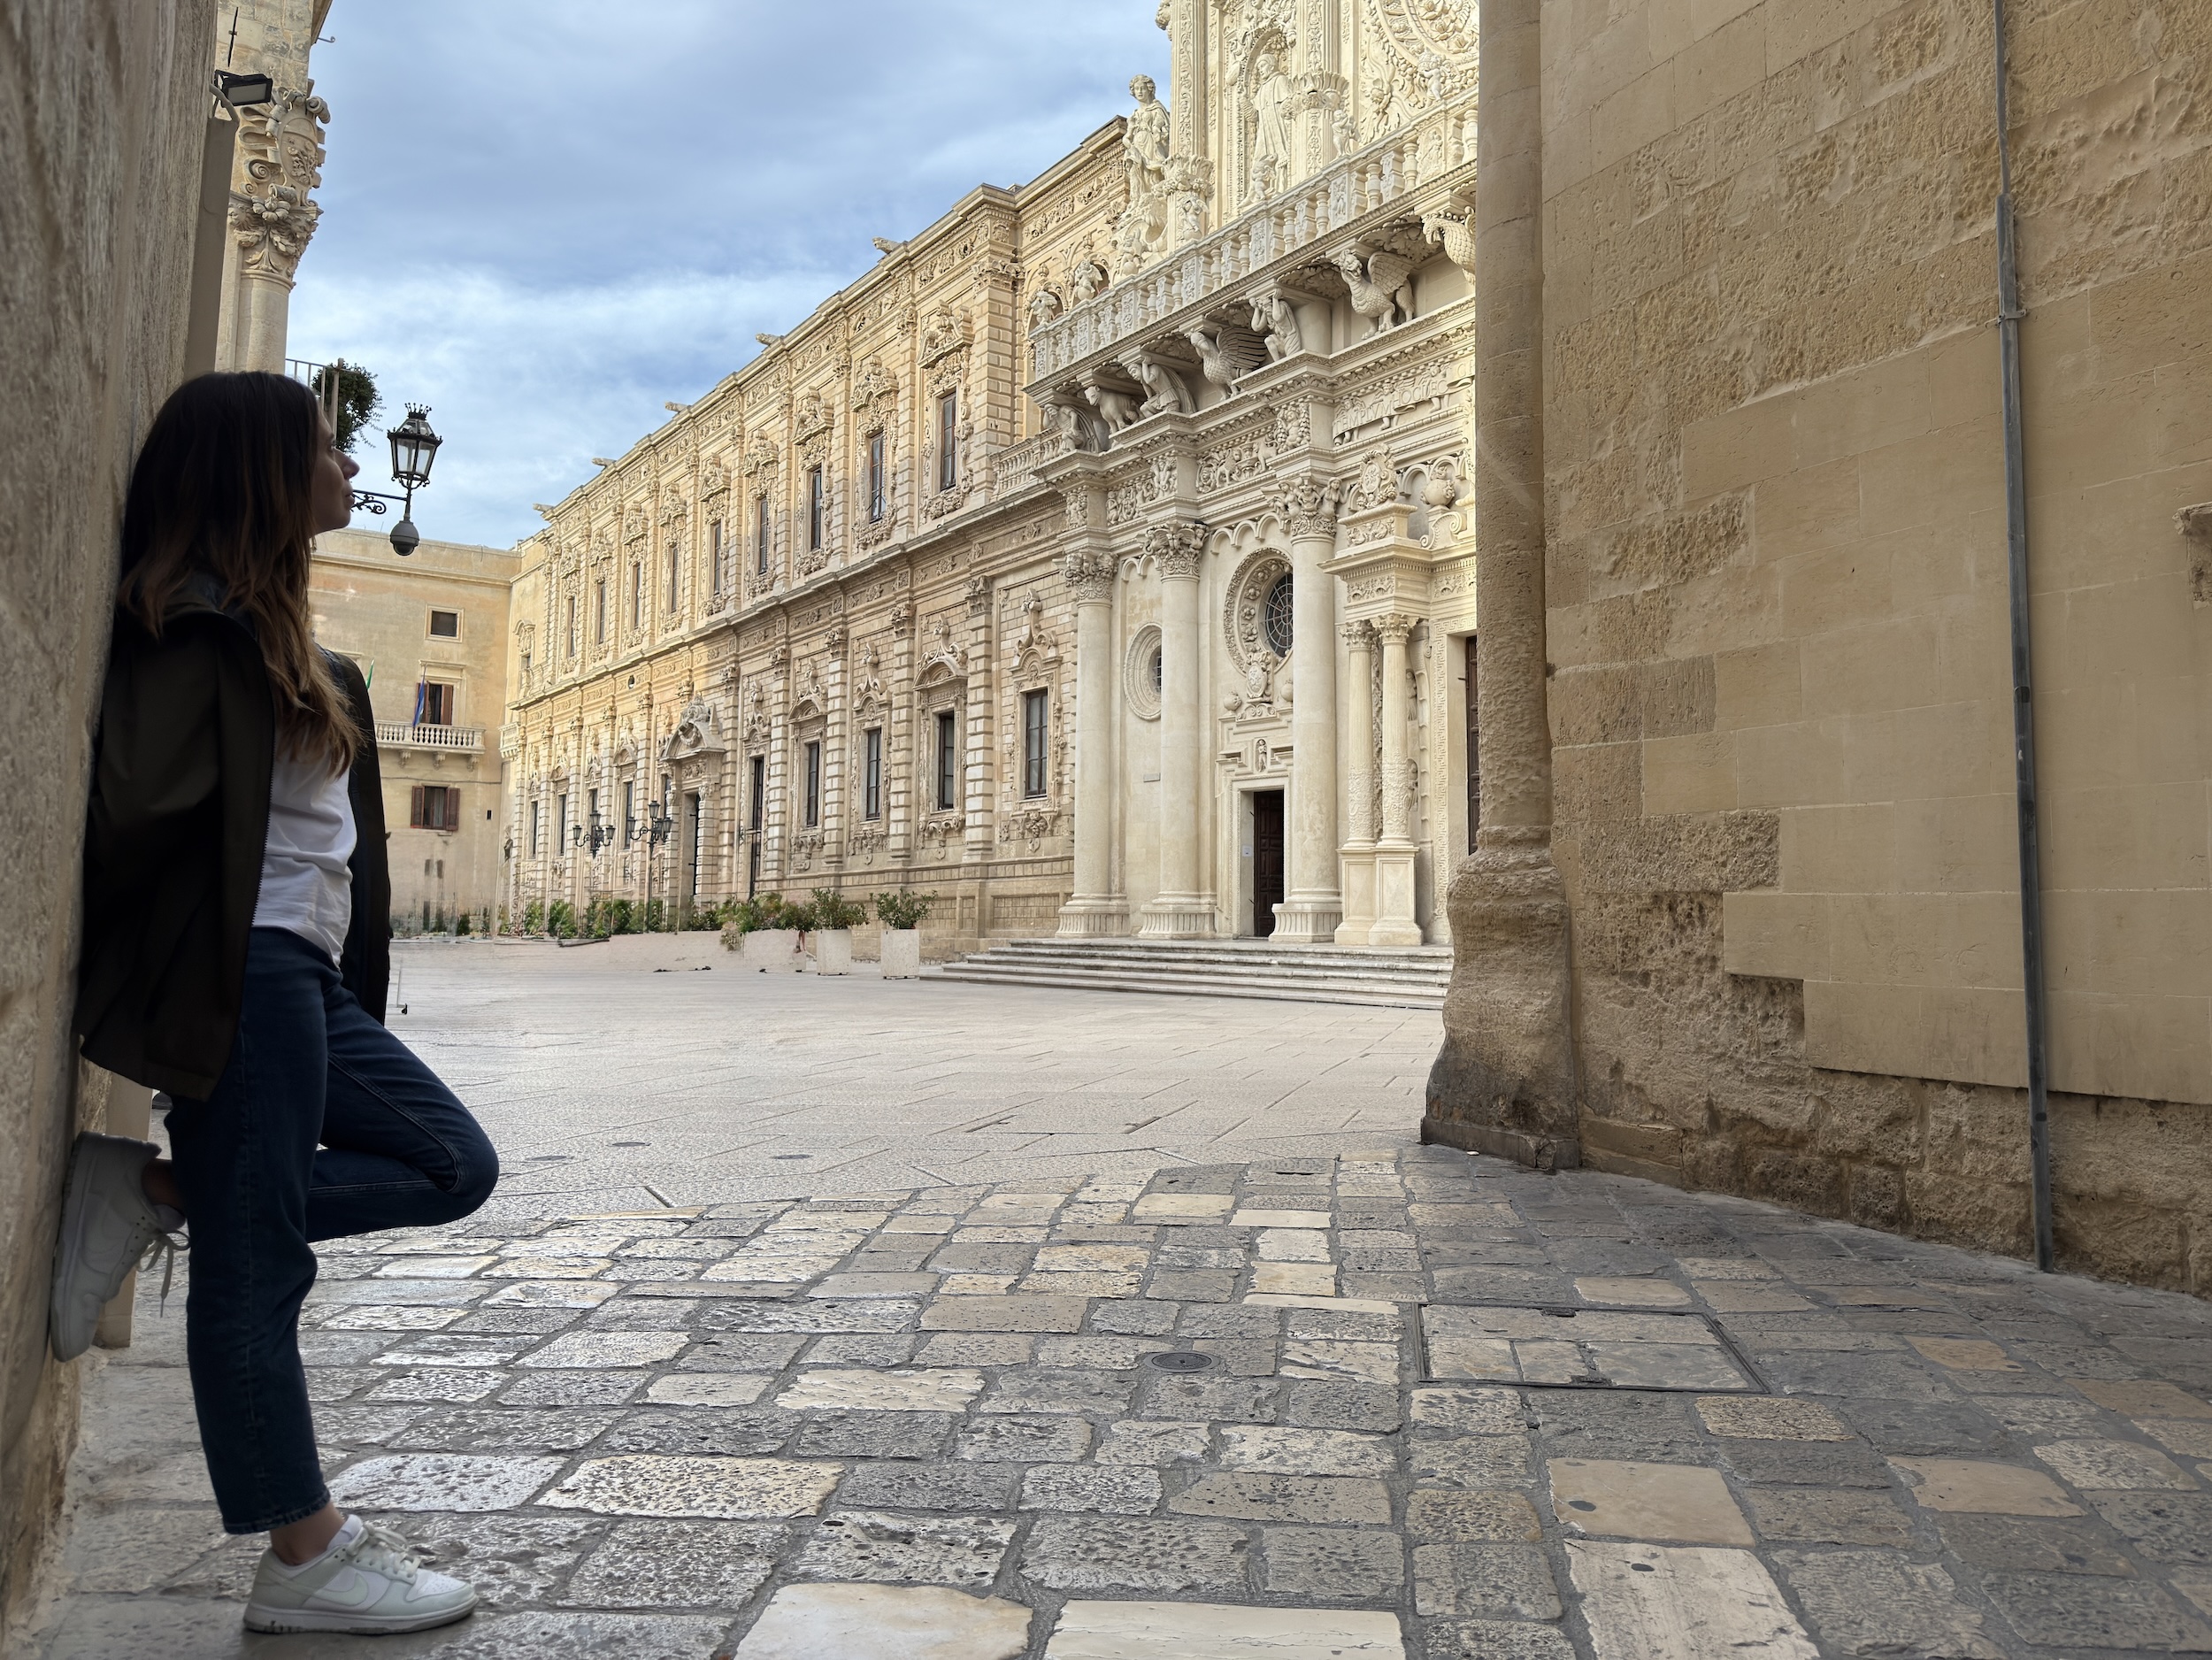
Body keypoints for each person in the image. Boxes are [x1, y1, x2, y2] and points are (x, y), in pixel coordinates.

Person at [51, 371, 500, 1635]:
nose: (351, 470)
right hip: (242, 970)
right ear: (259, 471)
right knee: (260, 1270)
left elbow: (339, 857)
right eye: (325, 450)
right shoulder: (192, 631)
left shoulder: (307, 653)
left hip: (306, 977)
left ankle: (157, 1189)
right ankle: (304, 1553)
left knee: (453, 1164)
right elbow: (139, 812)